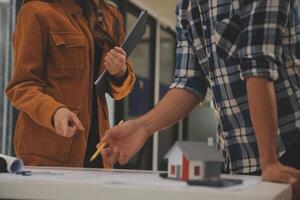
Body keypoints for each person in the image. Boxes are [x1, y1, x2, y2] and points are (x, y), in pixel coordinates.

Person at [101, 0, 300, 198]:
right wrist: (142, 126)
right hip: (237, 159)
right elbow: (189, 82)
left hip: (287, 151)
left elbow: (257, 66)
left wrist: (270, 162)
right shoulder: (187, 7)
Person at [5, 0, 135, 169]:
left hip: (98, 154)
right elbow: (22, 86)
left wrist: (120, 72)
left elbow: (119, 91)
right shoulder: (36, 11)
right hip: (49, 154)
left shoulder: (110, 15)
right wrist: (54, 112)